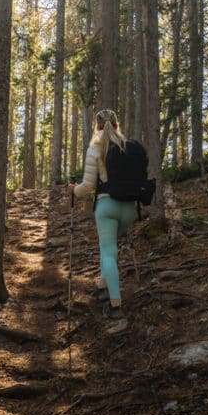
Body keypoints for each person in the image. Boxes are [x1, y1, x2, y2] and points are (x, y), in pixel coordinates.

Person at [68, 109, 136, 320]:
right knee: (110, 250)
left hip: (107, 207)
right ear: (116, 126)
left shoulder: (95, 149)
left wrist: (74, 190)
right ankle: (102, 285)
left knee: (108, 253)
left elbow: (88, 185)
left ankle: (115, 305)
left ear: (96, 127)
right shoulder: (128, 146)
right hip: (130, 208)